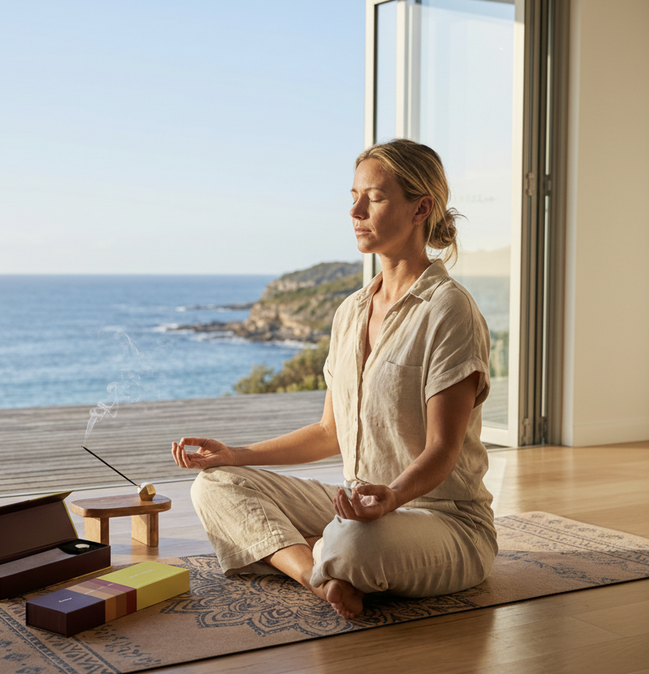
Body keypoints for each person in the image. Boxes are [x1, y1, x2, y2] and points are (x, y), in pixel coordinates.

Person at [170, 139, 497, 619]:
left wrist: (392, 499)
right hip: (357, 503)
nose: (355, 210)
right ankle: (317, 577)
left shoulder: (449, 309)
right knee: (213, 486)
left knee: (351, 542)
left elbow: (442, 451)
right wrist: (234, 455)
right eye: (354, 196)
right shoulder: (350, 312)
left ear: (420, 208)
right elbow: (331, 432)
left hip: (443, 520)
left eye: (376, 198)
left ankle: (311, 553)